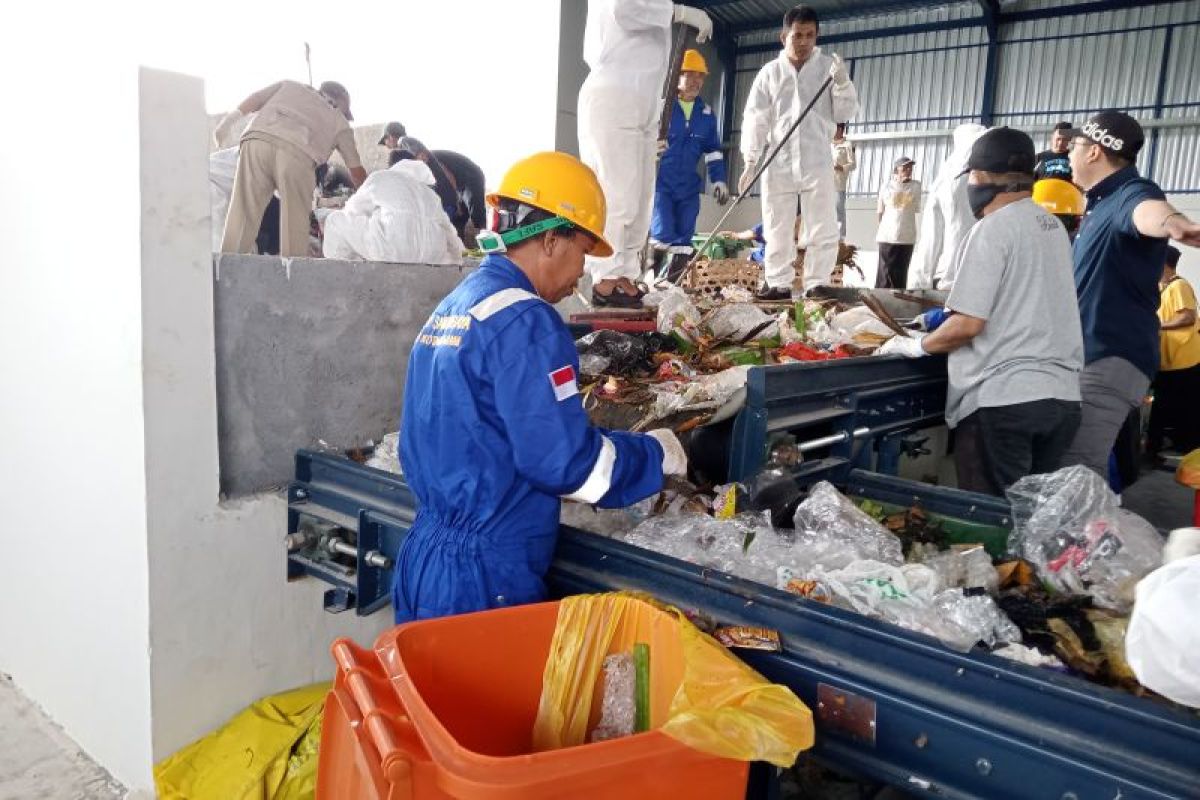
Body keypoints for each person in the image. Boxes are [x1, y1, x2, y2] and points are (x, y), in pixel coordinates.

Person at [393, 151, 687, 622]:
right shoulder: (526, 320)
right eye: (583, 253)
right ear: (551, 239)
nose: (581, 274)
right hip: (484, 575)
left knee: (428, 695)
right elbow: (567, 466)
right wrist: (657, 454)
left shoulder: (458, 305)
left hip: (428, 553)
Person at [879, 127, 1084, 496]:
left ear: (983, 178)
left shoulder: (992, 229)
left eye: (970, 176)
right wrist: (942, 316)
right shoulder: (1052, 226)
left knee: (991, 521)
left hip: (1006, 401)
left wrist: (917, 345)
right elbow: (1021, 299)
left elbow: (969, 324)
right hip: (1062, 400)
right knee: (1031, 519)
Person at [1059, 110, 1200, 479]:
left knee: (1075, 471)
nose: (1068, 154)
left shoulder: (1131, 194)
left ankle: (1083, 537)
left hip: (1108, 357)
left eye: (1074, 145)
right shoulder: (1098, 204)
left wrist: (1177, 225)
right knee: (1077, 469)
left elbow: (1149, 212)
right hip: (1094, 356)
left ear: (1094, 151)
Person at [579, 0, 714, 307]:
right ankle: (605, 278)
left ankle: (625, 273)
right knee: (618, 194)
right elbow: (623, 9)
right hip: (616, 90)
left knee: (641, 199)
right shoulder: (661, 8)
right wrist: (678, 13)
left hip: (645, 97)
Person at [740, 5, 858, 300]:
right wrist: (750, 160)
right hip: (778, 160)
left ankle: (816, 283)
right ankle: (778, 283)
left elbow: (845, 112)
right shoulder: (770, 73)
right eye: (797, 35)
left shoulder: (828, 68)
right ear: (784, 36)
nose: (803, 42)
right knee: (777, 223)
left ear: (816, 36)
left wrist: (842, 83)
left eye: (810, 35)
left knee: (822, 224)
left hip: (817, 158)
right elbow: (756, 117)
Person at [215, 80, 366, 258]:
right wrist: (367, 197)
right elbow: (356, 172)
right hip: (299, 156)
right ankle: (292, 276)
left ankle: (227, 270)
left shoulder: (290, 86)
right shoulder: (339, 121)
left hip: (257, 141)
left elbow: (256, 98)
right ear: (341, 106)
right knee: (295, 225)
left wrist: (226, 123)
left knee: (242, 213)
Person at [651, 48, 729, 284]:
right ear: (677, 77)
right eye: (690, 75)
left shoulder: (706, 114)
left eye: (700, 76)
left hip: (688, 188)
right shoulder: (661, 108)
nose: (696, 81)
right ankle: (652, 280)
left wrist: (718, 180)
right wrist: (649, 147)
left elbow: (713, 151)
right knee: (662, 231)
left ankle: (672, 286)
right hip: (660, 184)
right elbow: (640, 136)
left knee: (684, 236)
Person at [321, 150, 463, 265]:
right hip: (432, 255)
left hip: (393, 249)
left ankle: (344, 277)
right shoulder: (430, 194)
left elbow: (353, 210)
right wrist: (458, 261)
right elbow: (449, 232)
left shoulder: (381, 177)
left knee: (335, 221)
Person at [907, 123, 987, 290]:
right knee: (958, 233)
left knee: (931, 235)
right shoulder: (972, 149)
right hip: (960, 182)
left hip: (945, 183)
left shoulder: (950, 161)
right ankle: (950, 281)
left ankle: (920, 281)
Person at [1147, 246, 1200, 460]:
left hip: (1185, 359)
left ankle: (1186, 449)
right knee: (1165, 405)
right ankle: (1160, 446)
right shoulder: (1163, 287)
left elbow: (1188, 316)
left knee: (1186, 406)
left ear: (1163, 263)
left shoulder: (1179, 286)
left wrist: (1160, 326)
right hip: (1169, 360)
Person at [875, 157, 921, 288]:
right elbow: (880, 210)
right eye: (904, 167)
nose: (908, 170)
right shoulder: (886, 186)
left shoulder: (916, 186)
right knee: (885, 273)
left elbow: (915, 207)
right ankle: (881, 300)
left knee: (901, 273)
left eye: (910, 167)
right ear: (896, 170)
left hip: (907, 236)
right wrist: (881, 229)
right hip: (888, 236)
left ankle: (898, 301)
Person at [831, 123, 855, 240]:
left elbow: (853, 164)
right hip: (825, 183)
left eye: (836, 128)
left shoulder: (847, 145)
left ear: (841, 129)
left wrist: (841, 167)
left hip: (838, 184)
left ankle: (841, 238)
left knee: (839, 211)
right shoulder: (827, 144)